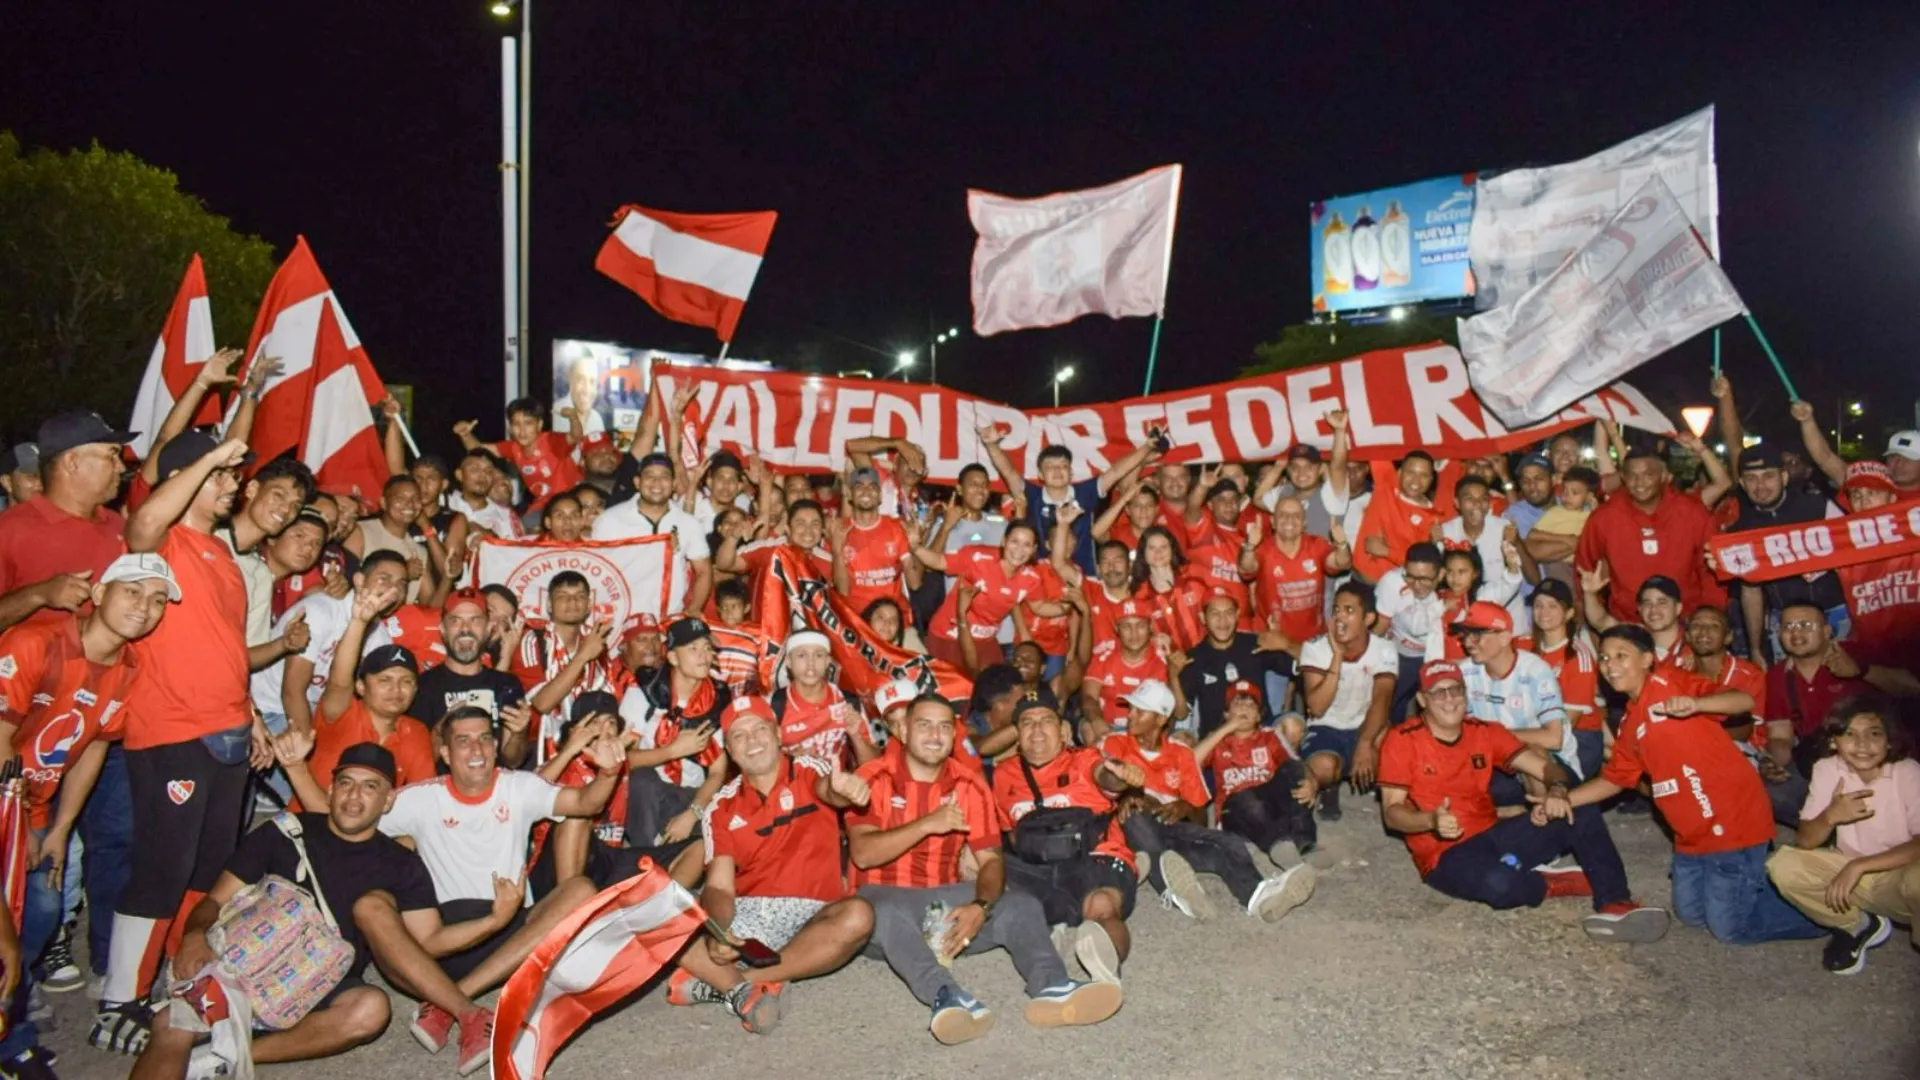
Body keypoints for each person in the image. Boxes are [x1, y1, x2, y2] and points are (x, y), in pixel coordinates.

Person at [131, 744, 501, 1080]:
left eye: (371, 787)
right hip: (243, 961)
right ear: (330, 789)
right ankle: (208, 1038)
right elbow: (214, 900)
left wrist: (496, 919)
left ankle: (226, 1055)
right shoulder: (285, 830)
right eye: (346, 783)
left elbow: (427, 940)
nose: (354, 797)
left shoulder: (401, 864)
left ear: (388, 801)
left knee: (370, 1010)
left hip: (319, 978)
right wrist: (195, 936)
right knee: (170, 1025)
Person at [95, 435, 272, 1054]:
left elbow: (224, 648)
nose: (232, 487)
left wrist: (252, 718)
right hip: (172, 730)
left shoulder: (220, 553)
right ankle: (119, 996)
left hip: (226, 728)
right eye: (222, 477)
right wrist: (208, 457)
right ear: (184, 477)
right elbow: (142, 516)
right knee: (163, 865)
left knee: (206, 862)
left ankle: (177, 978)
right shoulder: (160, 543)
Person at [850, 695, 1121, 1045]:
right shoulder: (874, 778)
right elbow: (864, 854)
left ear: (954, 735)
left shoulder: (970, 785)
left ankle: (1052, 986)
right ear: (902, 730)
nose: (935, 735)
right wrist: (926, 824)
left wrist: (981, 906)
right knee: (881, 910)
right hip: (885, 905)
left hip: (942, 910)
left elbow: (991, 860)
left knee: (1021, 903)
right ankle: (947, 995)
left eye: (945, 727)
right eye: (924, 725)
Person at [0, 554, 176, 1075]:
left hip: (32, 809)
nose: (144, 608)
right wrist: (18, 828)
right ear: (98, 593)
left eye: (158, 600)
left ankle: (10, 1024)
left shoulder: (125, 669)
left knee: (40, 914)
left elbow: (93, 746)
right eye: (132, 592)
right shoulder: (38, 641)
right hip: (8, 807)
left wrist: (57, 829)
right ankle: (15, 1039)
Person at [377, 708, 622, 1067]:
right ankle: (458, 999)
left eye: (485, 738)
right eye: (463, 741)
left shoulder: (516, 786)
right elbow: (352, 825)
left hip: (511, 932)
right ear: (445, 754)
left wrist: (609, 772)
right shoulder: (420, 798)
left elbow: (585, 802)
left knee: (581, 889)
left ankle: (453, 1002)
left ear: (495, 747)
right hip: (453, 935)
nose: (476, 749)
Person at [1376, 660, 1670, 942]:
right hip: (1444, 857)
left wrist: (1556, 790)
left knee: (1579, 807)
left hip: (1492, 834)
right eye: (1438, 692)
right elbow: (1393, 813)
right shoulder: (1402, 739)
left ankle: (1615, 902)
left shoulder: (1482, 731)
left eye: (1456, 690)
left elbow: (1545, 766)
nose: (1449, 699)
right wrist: (1431, 820)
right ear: (1423, 700)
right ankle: (1549, 882)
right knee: (1500, 886)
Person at [1563, 625, 1820, 945]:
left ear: (1646, 659)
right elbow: (1615, 779)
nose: (1609, 664)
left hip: (1733, 824)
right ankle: (1754, 881)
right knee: (1692, 916)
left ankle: (1832, 911)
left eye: (1620, 656)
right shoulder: (1629, 722)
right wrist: (1564, 800)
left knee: (1730, 929)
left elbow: (1741, 700)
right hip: (1691, 838)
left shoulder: (1672, 681)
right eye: (1603, 657)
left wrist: (1697, 705)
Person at [667, 695, 876, 1032]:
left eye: (759, 729)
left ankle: (734, 984)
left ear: (778, 734)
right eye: (739, 735)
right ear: (731, 753)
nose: (752, 741)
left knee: (859, 915)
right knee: (665, 919)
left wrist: (844, 789)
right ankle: (745, 988)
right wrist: (718, 933)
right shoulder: (720, 807)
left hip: (815, 914)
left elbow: (830, 790)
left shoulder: (811, 769)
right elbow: (719, 886)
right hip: (751, 920)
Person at [1103, 681, 1315, 923]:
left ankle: (1259, 896)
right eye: (1131, 708)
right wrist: (1131, 793)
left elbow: (1201, 818)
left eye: (1139, 711)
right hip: (1131, 833)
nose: (1129, 715)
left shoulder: (1181, 753)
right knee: (1135, 811)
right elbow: (1105, 779)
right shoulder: (1114, 743)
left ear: (1161, 719)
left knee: (1228, 842)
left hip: (1170, 831)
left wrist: (1184, 807)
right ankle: (1172, 889)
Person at [992, 695, 1138, 987]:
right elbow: (1007, 833)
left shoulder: (1083, 759)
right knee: (980, 863)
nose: (1036, 730)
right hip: (1038, 867)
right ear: (1018, 737)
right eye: (1027, 723)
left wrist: (1118, 775)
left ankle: (1107, 973)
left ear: (1063, 731)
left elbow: (1105, 776)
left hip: (1093, 857)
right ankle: (1052, 923)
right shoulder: (1003, 774)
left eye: (1046, 721)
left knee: (1101, 905)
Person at [1767, 697, 1920, 973]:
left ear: (1889, 740)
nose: (1862, 745)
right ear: (1834, 742)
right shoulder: (1827, 769)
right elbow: (1805, 840)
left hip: (1898, 873)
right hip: (1847, 869)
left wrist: (1859, 866)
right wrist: (1830, 816)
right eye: (1849, 734)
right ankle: (1859, 925)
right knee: (1782, 864)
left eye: (1874, 734)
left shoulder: (1907, 771)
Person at [0, 410, 137, 632]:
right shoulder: (9, 529)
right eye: (111, 455)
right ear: (72, 462)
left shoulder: (118, 526)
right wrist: (39, 594)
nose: (121, 467)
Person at [256, 550, 410, 736]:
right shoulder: (320, 611)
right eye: (384, 579)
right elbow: (292, 692)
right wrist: (306, 750)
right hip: (269, 706)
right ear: (359, 580)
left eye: (402, 584)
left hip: (315, 709)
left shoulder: (381, 637)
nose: (394, 590)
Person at [976, 425, 1155, 576]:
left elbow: (1116, 471)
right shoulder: (1032, 495)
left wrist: (1147, 447)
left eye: (1063, 466)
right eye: (1050, 467)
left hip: (1084, 578)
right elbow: (1008, 472)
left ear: (1070, 472)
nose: (1057, 471)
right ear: (1040, 474)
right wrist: (992, 445)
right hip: (1040, 580)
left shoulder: (1086, 492)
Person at [1451, 601, 1582, 804]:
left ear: (1504, 637)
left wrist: (1491, 737)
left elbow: (1553, 738)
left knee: (1529, 752)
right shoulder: (1466, 671)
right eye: (1465, 634)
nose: (1468, 642)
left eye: (1477, 635)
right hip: (1496, 762)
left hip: (1553, 767)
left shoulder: (1535, 671)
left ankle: (1548, 823)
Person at [1574, 446, 1722, 625]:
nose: (1639, 483)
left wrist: (1710, 617)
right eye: (1632, 476)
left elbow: (1712, 571)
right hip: (1626, 623)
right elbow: (1584, 570)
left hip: (1685, 623)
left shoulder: (1692, 513)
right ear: (1623, 478)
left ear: (1664, 476)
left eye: (1648, 475)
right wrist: (1594, 620)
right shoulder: (1604, 517)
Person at [1727, 446, 1848, 662]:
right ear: (1743, 485)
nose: (1760, 485)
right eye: (1751, 478)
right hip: (1785, 624)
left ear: (1784, 477)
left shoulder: (1819, 507)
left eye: (1768, 476)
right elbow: (1751, 592)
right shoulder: (1742, 531)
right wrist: (1755, 648)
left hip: (1837, 614)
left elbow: (1856, 557)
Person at [307, 591, 437, 794]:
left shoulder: (416, 732)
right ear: (360, 686)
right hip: (310, 821)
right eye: (384, 680)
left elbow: (421, 799)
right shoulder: (342, 714)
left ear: (415, 689)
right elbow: (339, 682)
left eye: (406, 681)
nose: (396, 689)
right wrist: (358, 622)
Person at [619, 617, 733, 848]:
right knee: (642, 781)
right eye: (693, 649)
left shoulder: (717, 698)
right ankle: (645, 855)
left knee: (709, 844)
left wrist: (693, 813)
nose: (703, 655)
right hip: (650, 794)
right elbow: (623, 759)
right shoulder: (644, 692)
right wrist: (672, 751)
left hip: (692, 794)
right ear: (672, 657)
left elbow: (718, 771)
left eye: (707, 647)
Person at [1293, 582, 1399, 821]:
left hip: (1365, 724)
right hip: (1326, 727)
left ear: (1368, 618)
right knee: (1323, 767)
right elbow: (1317, 708)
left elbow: (1381, 700)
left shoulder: (1384, 649)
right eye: (1336, 609)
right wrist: (1337, 657)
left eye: (1349, 611)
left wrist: (1365, 743)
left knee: (1395, 746)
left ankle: (1384, 791)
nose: (1339, 616)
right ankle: (1330, 786)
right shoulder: (1315, 648)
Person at [1684, 605, 1799, 824]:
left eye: (1713, 626)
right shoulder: (1678, 674)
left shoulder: (1748, 675)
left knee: (1780, 795)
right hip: (1699, 756)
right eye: (1697, 626)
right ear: (1687, 635)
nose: (1704, 632)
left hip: (1752, 753)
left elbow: (1746, 731)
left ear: (1728, 637)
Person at [1195, 681, 1318, 869]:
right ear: (1226, 714)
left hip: (1269, 804)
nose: (1244, 708)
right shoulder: (1217, 740)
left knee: (1292, 769)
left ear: (1258, 716)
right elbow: (1191, 762)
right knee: (1246, 800)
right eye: (1237, 704)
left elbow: (1297, 763)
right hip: (1236, 810)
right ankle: (1279, 846)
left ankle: (1304, 843)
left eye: (1250, 705)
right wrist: (1226, 728)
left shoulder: (1270, 736)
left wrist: (1312, 782)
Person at [411, 588, 532, 763]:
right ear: (443, 629)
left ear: (489, 628)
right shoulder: (423, 686)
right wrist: (443, 727)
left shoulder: (507, 684)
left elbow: (513, 761)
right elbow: (417, 764)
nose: (465, 629)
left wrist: (519, 734)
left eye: (475, 620)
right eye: (456, 621)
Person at [511, 570, 618, 762]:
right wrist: (583, 655)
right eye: (563, 597)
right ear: (550, 606)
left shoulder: (595, 641)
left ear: (589, 606)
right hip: (537, 745)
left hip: (587, 741)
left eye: (580, 596)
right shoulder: (533, 641)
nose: (572, 602)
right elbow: (542, 703)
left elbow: (602, 701)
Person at [589, 452, 712, 617]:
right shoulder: (609, 520)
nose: (657, 482)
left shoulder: (688, 523)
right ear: (637, 482)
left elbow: (703, 570)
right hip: (621, 620)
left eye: (664, 476)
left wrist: (694, 608)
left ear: (674, 483)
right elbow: (594, 571)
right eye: (649, 476)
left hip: (669, 619)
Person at [915, 523, 1048, 672]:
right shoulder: (977, 557)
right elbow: (939, 561)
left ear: (1034, 550)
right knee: (954, 687)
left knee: (995, 689)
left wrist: (1068, 604)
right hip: (949, 635)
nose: (1019, 549)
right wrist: (915, 547)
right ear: (1004, 541)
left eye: (1027, 544)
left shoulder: (1032, 578)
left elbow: (1040, 606)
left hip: (985, 640)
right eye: (1014, 541)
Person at [1177, 586, 1298, 738]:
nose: (1223, 621)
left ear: (1238, 615)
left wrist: (1287, 644)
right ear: (1203, 618)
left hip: (1261, 737)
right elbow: (1180, 714)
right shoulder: (1193, 658)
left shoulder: (1257, 643)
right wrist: (1173, 676)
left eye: (1229, 613)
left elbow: (1307, 665)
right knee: (1182, 739)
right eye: (1215, 614)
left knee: (1293, 726)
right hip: (1217, 740)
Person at [1515, 579, 1605, 779]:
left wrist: (1515, 735)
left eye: (1552, 606)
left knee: (1532, 761)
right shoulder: (1523, 646)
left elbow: (1567, 724)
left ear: (1569, 613)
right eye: (1538, 605)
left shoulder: (1577, 656)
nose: (1543, 612)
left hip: (1578, 738)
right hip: (1535, 728)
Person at [1767, 601, 1869, 766]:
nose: (1796, 632)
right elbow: (1780, 735)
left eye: (1805, 625)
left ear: (1826, 631)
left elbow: (1910, 687)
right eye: (1788, 626)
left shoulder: (1854, 653)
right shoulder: (1778, 674)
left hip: (1867, 755)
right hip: (1817, 761)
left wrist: (1861, 671)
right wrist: (1773, 763)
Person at [455, 398, 583, 515]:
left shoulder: (550, 441)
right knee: (523, 528)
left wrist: (573, 418)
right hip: (544, 504)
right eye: (516, 424)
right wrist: (465, 435)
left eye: (528, 423)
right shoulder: (513, 448)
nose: (522, 431)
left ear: (539, 425)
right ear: (510, 428)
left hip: (572, 498)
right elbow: (477, 449)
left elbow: (575, 436)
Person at [1078, 599, 1180, 742]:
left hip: (1145, 729)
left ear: (1151, 626)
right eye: (1127, 626)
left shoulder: (1162, 659)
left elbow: (1169, 709)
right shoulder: (1104, 654)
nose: (1134, 633)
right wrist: (1097, 721)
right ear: (1116, 628)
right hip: (1107, 725)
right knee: (1088, 727)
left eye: (1140, 625)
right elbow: (1089, 696)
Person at [769, 630, 872, 766]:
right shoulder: (774, 704)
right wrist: (788, 759)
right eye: (801, 655)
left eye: (818, 655)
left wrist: (856, 737)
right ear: (788, 661)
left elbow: (873, 764)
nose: (810, 663)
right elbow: (758, 764)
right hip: (792, 785)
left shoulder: (847, 701)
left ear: (828, 661)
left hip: (837, 784)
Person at [829, 466, 919, 616]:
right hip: (857, 619)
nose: (866, 491)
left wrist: (915, 547)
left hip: (894, 619)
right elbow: (842, 590)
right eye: (859, 486)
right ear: (850, 494)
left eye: (872, 486)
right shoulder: (839, 530)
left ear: (880, 496)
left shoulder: (897, 528)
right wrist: (837, 551)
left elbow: (914, 583)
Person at [1374, 542, 1447, 720]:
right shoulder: (1391, 582)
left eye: (1424, 579)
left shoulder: (1452, 585)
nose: (1416, 585)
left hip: (1439, 655)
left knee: (1438, 709)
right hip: (1402, 654)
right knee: (1390, 706)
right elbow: (1380, 626)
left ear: (1440, 574)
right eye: (1410, 577)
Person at [1505, 453, 1555, 538]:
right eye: (1525, 481)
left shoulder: (1569, 506)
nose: (1532, 486)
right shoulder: (1516, 513)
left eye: (1539, 479)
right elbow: (1533, 549)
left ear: (1553, 480)